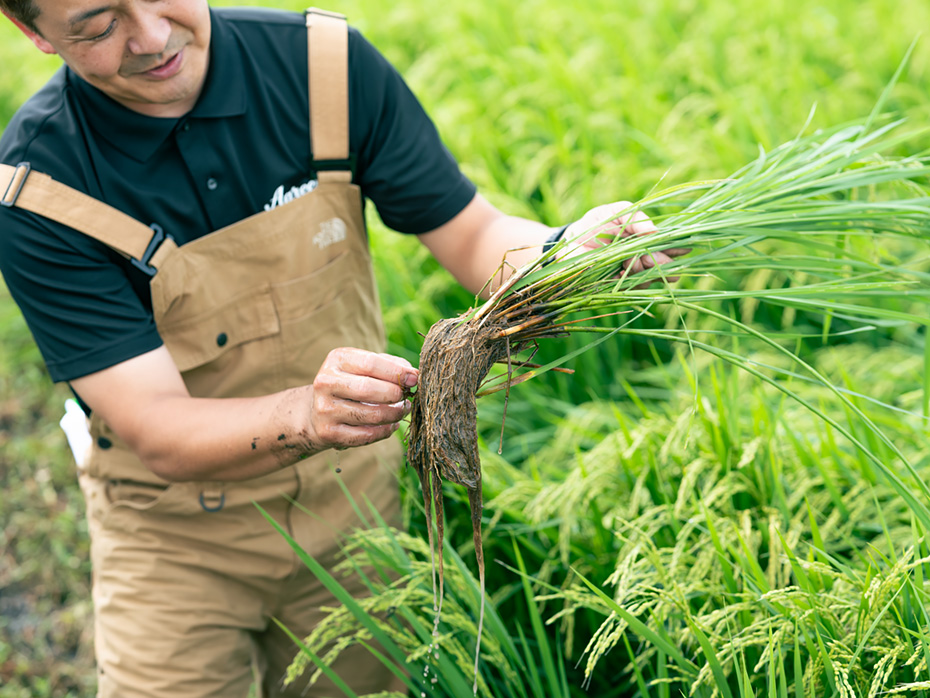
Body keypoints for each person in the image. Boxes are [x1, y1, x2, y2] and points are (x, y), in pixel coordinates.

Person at [0, 0, 679, 696]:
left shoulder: (321, 67)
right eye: (98, 25)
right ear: (33, 33)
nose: (151, 37)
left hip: (356, 512)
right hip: (176, 541)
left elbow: (473, 236)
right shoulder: (42, 191)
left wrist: (567, 252)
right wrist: (306, 414)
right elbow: (159, 427)